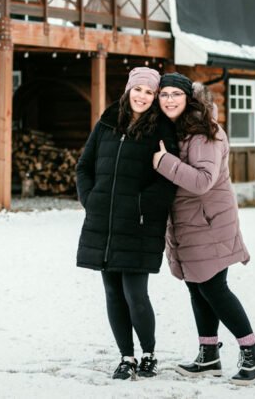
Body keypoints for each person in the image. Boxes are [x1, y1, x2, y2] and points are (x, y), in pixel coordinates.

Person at [152, 73, 255, 386]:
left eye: (176, 94)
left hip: (208, 221)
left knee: (214, 287)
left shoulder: (204, 132)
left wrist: (164, 162)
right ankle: (209, 354)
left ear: (188, 98)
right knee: (197, 285)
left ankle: (253, 353)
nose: (170, 100)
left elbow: (203, 181)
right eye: (164, 95)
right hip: (189, 222)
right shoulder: (180, 130)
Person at [75, 67, 180, 381]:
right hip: (104, 222)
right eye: (138, 90)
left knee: (136, 293)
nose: (142, 97)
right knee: (112, 293)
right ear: (128, 91)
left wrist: (139, 207)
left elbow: (167, 181)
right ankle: (126, 356)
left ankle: (148, 353)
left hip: (139, 224)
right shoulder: (107, 122)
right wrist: (90, 200)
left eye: (149, 92)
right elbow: (85, 166)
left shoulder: (161, 129)